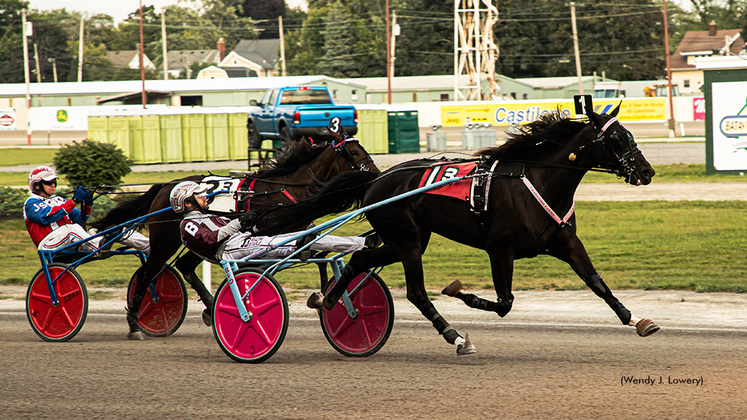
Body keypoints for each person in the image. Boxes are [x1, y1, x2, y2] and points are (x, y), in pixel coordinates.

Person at [170, 181, 379, 265]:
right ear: (187, 202)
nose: (205, 197)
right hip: (229, 251)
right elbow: (211, 238)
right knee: (297, 241)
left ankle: (361, 244)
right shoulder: (187, 225)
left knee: (309, 237)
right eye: (199, 195)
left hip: (243, 243)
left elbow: (236, 227)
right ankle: (299, 248)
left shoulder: (211, 216)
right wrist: (240, 222)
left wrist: (252, 221)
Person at [23, 166, 150, 254]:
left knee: (109, 227)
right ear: (37, 185)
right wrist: (74, 201)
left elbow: (80, 220)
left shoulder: (59, 200)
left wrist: (87, 205)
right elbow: (46, 217)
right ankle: (98, 247)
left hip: (69, 240)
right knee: (71, 228)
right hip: (48, 245)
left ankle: (150, 246)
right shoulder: (31, 203)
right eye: (48, 182)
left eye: (54, 182)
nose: (53, 185)